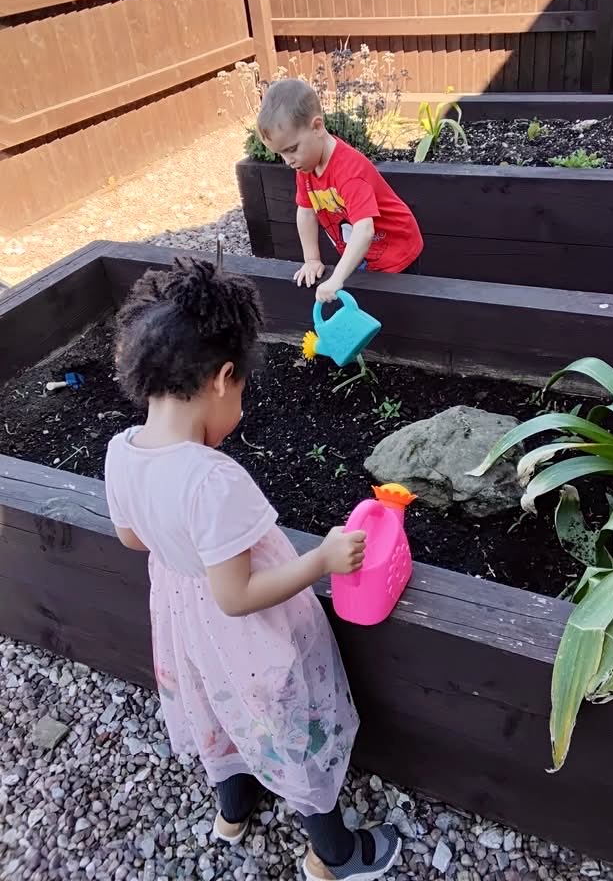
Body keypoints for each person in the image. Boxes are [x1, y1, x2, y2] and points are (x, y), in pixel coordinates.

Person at [104, 258, 401, 881]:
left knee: (216, 708)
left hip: (185, 621)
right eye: (240, 391)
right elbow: (238, 597)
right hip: (245, 631)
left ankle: (234, 810)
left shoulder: (121, 452)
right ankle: (335, 852)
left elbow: (132, 539)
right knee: (288, 723)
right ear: (222, 379)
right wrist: (321, 559)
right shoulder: (213, 479)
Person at [256, 78, 424, 302]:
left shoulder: (349, 171)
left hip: (396, 250)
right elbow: (305, 211)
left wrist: (336, 278)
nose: (288, 161)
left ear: (317, 127)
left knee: (400, 314)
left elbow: (364, 230)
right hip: (363, 253)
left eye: (292, 149)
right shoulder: (306, 167)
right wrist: (312, 259)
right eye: (281, 154)